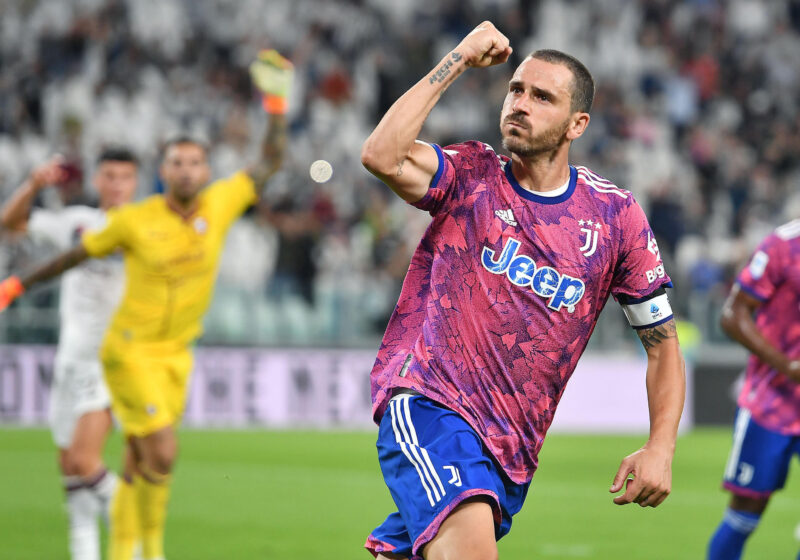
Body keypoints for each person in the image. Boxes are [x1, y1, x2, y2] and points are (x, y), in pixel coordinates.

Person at [360, 22, 686, 560]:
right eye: (516, 90)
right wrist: (460, 58)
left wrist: (661, 446)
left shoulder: (615, 217)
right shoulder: (471, 175)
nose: (520, 104)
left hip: (510, 448)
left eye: (542, 97)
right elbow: (382, 155)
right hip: (431, 405)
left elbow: (662, 344)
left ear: (577, 124)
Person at [0, 49, 293, 560]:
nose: (187, 170)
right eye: (177, 162)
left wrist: (276, 105)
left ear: (207, 169)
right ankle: (152, 550)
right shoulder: (133, 220)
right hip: (129, 351)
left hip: (176, 354)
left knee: (138, 461)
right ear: (163, 171)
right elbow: (73, 255)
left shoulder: (221, 203)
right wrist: (15, 286)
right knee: (161, 449)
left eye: (195, 162)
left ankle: (122, 552)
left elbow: (269, 163)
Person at [0, 148, 138, 560]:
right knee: (69, 471)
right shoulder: (77, 222)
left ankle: (140, 541)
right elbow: (10, 224)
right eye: (109, 175)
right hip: (70, 357)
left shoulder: (143, 228)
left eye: (125, 177)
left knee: (84, 460)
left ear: (135, 183)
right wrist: (33, 185)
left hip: (110, 359)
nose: (116, 184)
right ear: (97, 180)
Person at [707, 219, 800, 560]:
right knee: (746, 510)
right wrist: (788, 366)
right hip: (771, 404)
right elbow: (732, 316)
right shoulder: (784, 245)